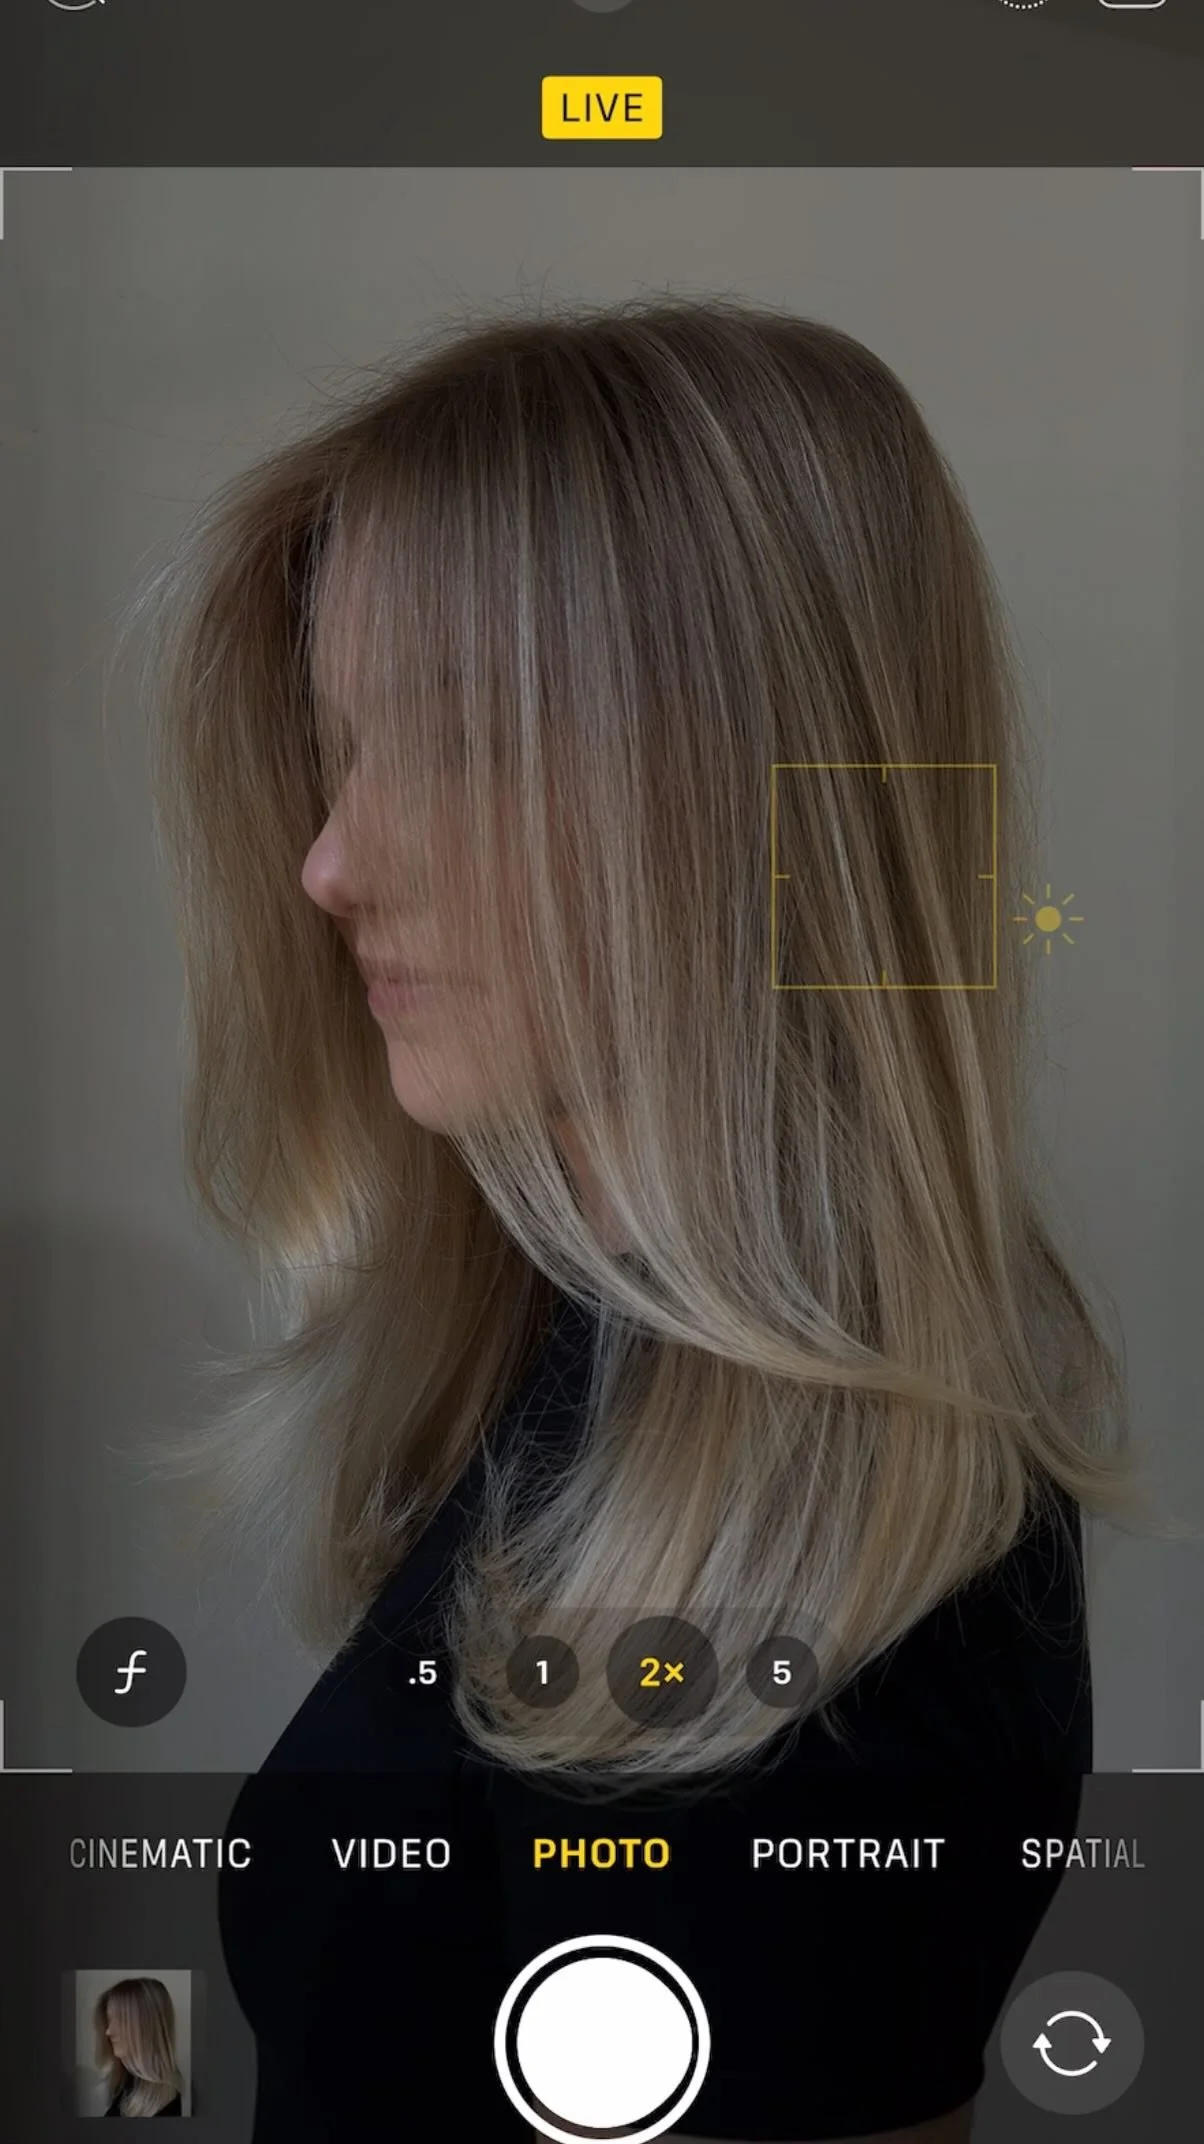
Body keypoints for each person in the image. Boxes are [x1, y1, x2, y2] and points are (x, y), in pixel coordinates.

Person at [142, 298, 1134, 2141]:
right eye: (341, 745)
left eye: (453, 737)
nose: (332, 862)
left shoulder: (824, 1617)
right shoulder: (591, 1361)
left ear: (760, 781)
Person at [94, 1978, 184, 2117]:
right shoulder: (125, 2083)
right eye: (109, 2020)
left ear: (146, 2026)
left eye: (119, 2020)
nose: (108, 2032)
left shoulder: (168, 2106)